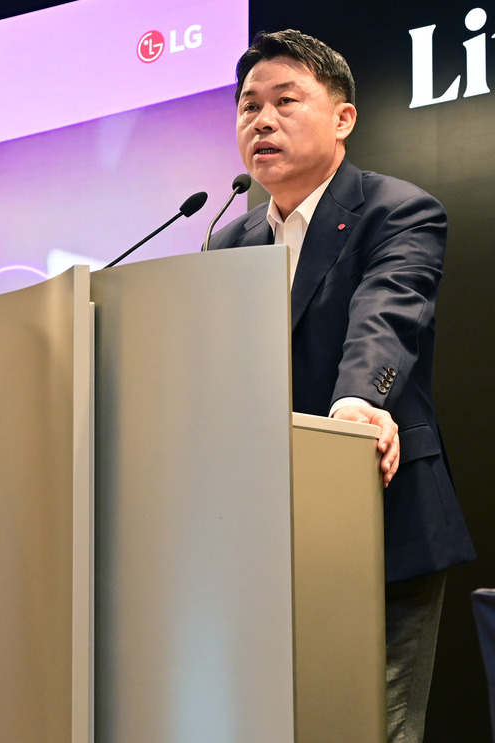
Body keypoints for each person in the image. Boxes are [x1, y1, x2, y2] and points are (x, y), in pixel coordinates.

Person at [207, 29, 476, 743]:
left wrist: (356, 407)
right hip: (263, 533)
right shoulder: (228, 241)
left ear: (343, 117)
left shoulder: (397, 211)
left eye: (285, 101)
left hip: (379, 520)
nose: (262, 121)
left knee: (372, 726)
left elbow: (386, 314)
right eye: (248, 106)